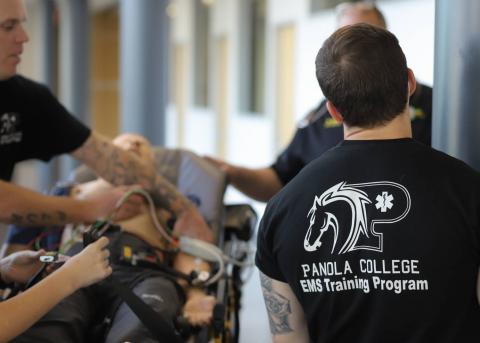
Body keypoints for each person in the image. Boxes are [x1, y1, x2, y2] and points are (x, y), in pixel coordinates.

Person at [255, 23, 480, 342]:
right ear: (410, 84)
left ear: (332, 109)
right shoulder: (469, 193)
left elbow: (288, 337)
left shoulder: (282, 211)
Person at [0, 0, 212, 252]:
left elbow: (105, 156)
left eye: (21, 24)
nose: (23, 37)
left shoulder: (24, 97)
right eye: (8, 26)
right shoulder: (75, 195)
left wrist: (185, 211)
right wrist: (90, 208)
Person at [206, 1, 432, 202]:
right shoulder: (317, 119)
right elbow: (280, 180)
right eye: (346, 39)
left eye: (367, 37)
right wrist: (232, 173)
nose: (357, 50)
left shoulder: (436, 106)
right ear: (335, 111)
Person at [10, 133, 216, 343]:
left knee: (146, 322)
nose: (134, 143)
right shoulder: (66, 196)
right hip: (73, 268)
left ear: (153, 168)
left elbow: (193, 250)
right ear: (104, 157)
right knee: (51, 322)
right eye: (123, 141)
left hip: (145, 273)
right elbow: (15, 250)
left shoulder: (171, 209)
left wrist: (195, 295)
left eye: (143, 144)